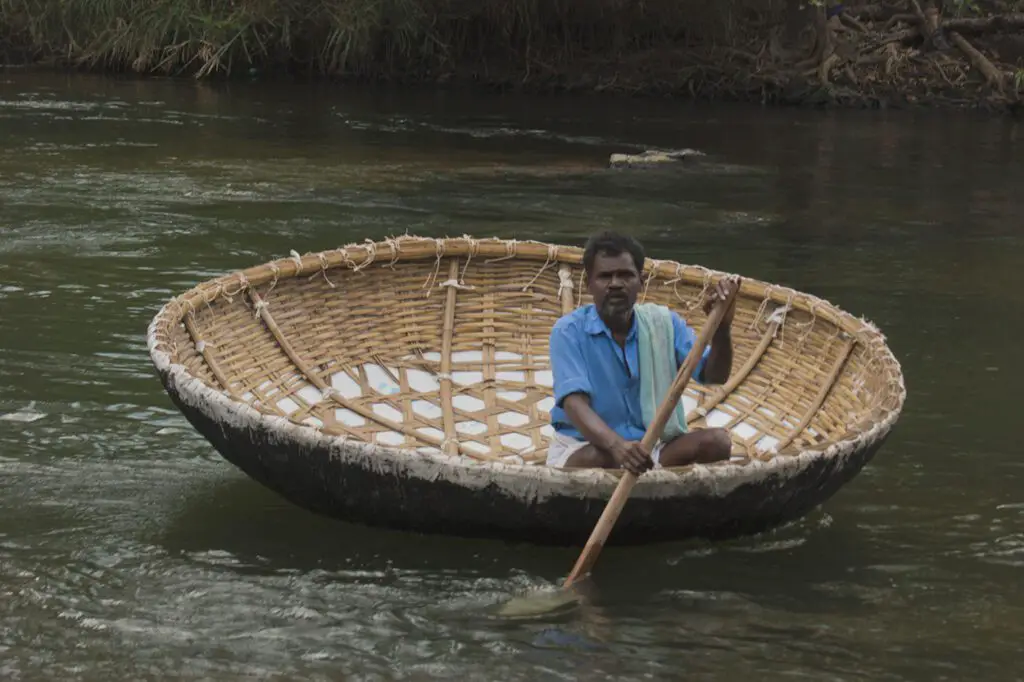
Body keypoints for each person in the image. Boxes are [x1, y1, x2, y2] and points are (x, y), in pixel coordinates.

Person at [547, 231, 737, 475]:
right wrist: (618, 447)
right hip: (588, 448)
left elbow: (715, 376)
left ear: (641, 282)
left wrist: (721, 328)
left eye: (625, 275)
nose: (615, 283)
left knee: (718, 443)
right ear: (589, 284)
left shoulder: (664, 324)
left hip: (651, 451)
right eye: (605, 276)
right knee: (597, 458)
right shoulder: (568, 331)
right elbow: (574, 404)